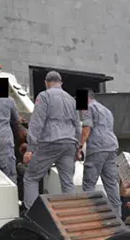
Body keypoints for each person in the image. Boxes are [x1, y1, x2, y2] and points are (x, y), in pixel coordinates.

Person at [23, 71, 81, 211]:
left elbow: (37, 123)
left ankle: (33, 215)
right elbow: (77, 125)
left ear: (46, 83)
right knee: (67, 182)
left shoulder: (44, 96)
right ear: (61, 83)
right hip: (69, 143)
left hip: (51, 141)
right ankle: (72, 215)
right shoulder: (72, 99)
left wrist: (30, 149)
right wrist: (77, 147)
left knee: (31, 178)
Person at [79, 89, 121, 217]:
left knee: (88, 184)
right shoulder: (107, 110)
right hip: (111, 147)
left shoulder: (87, 108)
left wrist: (79, 145)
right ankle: (117, 217)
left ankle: (90, 216)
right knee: (111, 183)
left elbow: (87, 128)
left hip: (97, 147)